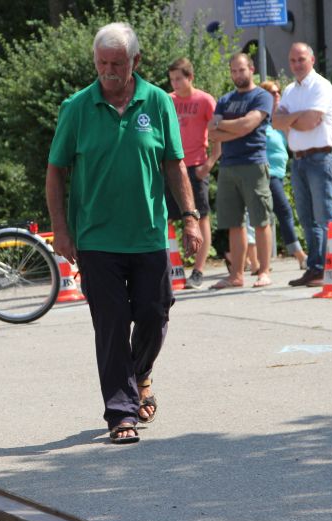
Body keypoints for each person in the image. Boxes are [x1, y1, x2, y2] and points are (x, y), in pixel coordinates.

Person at [46, 23, 202, 445]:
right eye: (102, 63)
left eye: (117, 63)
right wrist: (61, 229)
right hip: (96, 239)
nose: (108, 71)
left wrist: (190, 217)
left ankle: (140, 373)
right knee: (112, 324)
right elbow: (56, 171)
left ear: (136, 61)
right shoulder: (77, 107)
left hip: (149, 233)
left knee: (155, 313)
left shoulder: (158, 101)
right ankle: (121, 413)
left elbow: (174, 163)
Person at [273, 43, 332, 287]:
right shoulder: (290, 90)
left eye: (301, 59)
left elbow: (311, 122)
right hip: (299, 159)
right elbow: (276, 122)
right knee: (307, 218)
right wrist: (297, 118)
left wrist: (290, 119)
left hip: (320, 157)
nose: (297, 64)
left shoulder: (321, 85)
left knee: (324, 215)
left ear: (312, 60)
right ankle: (315, 268)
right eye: (293, 60)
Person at [207, 53, 274, 290]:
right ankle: (236, 275)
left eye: (241, 70)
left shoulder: (262, 96)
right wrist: (236, 127)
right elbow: (211, 132)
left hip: (253, 163)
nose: (237, 75)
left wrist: (223, 125)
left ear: (251, 69)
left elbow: (248, 125)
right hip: (228, 165)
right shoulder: (225, 100)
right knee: (233, 223)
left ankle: (264, 272)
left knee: (261, 220)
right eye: (234, 71)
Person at [165, 57, 221, 289]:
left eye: (179, 79)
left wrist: (210, 163)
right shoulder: (168, 100)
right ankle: (168, 268)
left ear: (190, 78)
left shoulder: (205, 100)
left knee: (200, 217)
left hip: (196, 166)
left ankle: (198, 270)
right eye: (172, 79)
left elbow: (218, 133)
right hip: (171, 167)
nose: (175, 84)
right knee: (165, 217)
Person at [259, 80, 308, 270]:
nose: (277, 95)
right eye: (272, 93)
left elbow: (292, 142)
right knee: (284, 211)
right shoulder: (260, 119)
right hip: (266, 173)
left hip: (279, 173)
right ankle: (299, 255)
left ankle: (243, 257)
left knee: (263, 216)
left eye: (278, 92)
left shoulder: (280, 120)